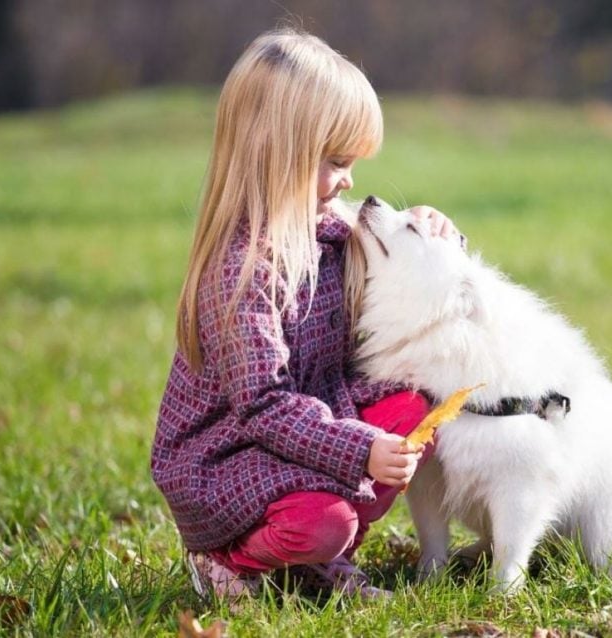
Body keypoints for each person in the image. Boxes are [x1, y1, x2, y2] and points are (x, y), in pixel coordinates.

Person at [150, 29, 459, 602]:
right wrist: (359, 448)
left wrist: (425, 228)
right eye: (337, 162)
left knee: (419, 412)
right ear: (281, 152)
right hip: (230, 461)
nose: (349, 181)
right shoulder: (241, 273)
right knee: (327, 521)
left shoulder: (330, 232)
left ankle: (311, 561)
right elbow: (263, 406)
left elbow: (392, 265)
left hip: (309, 433)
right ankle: (228, 561)